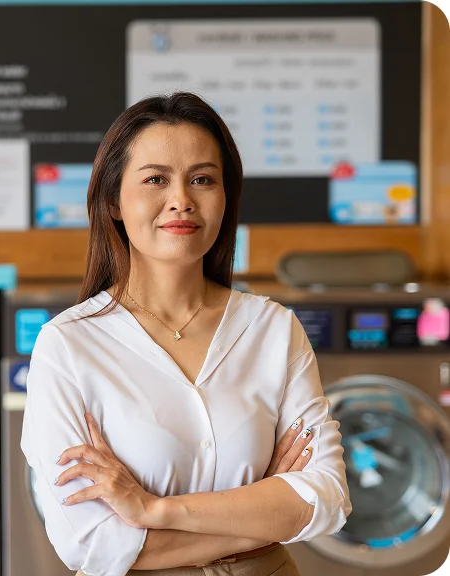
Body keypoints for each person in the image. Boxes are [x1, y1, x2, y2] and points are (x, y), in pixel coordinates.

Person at [20, 92, 351, 576]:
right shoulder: (68, 346)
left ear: (225, 197)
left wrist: (155, 511)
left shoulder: (273, 329)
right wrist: (267, 514)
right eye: (155, 179)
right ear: (113, 199)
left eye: (202, 179)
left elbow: (327, 497)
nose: (182, 200)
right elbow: (90, 545)